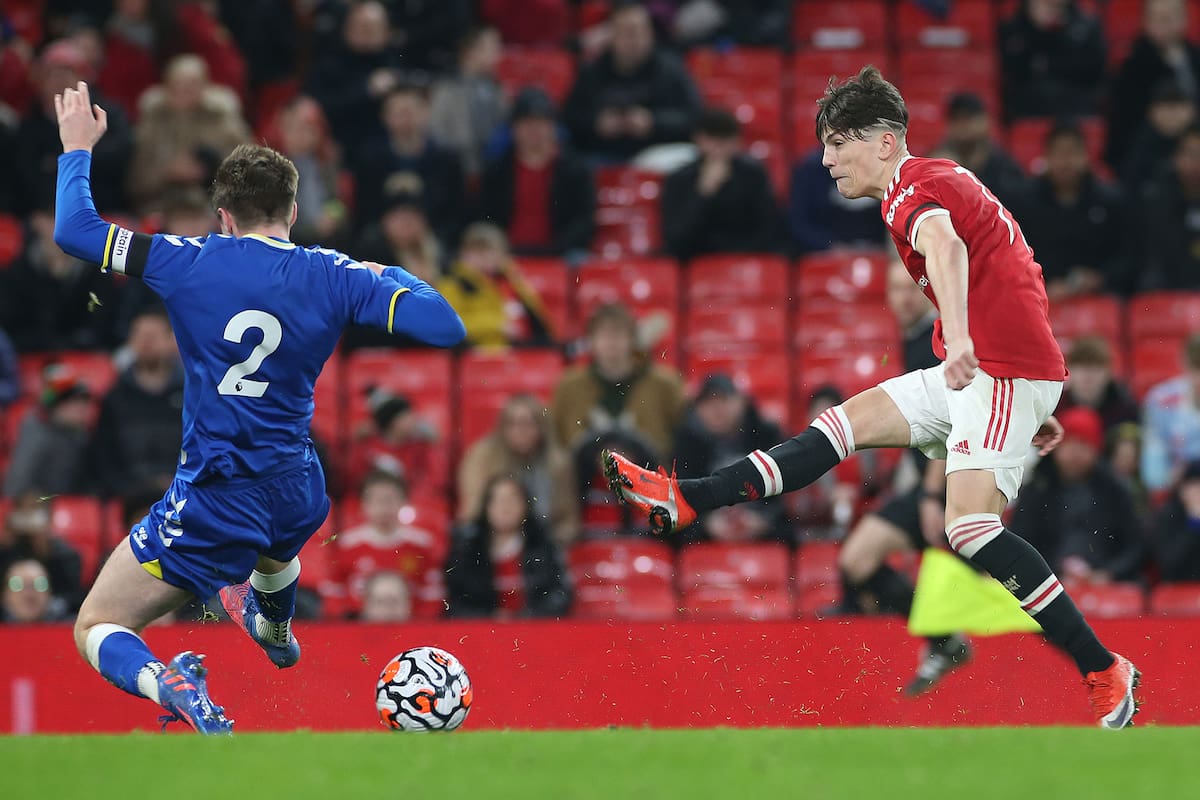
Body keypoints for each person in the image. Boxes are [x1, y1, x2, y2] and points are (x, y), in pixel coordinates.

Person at [605, 66, 1140, 728]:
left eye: (838, 142)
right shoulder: (934, 180)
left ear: (884, 141)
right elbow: (1014, 268)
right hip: (992, 370)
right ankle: (689, 496)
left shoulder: (909, 191)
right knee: (838, 428)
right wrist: (1034, 395)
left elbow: (946, 247)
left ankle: (1102, 669)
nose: (827, 159)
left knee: (968, 529)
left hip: (990, 369)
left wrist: (985, 353)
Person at [53, 81, 465, 734]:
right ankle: (273, 623)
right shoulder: (333, 272)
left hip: (219, 494)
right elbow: (445, 326)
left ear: (223, 215)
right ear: (293, 211)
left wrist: (77, 148)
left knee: (97, 623)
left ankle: (172, 684)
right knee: (275, 548)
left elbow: (75, 231)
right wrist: (389, 274)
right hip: (297, 486)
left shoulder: (184, 261)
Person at [836, 259, 968, 695]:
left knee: (1006, 584)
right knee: (856, 561)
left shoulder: (937, 340)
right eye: (895, 289)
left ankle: (1090, 662)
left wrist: (932, 496)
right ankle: (944, 640)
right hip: (932, 484)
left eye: (912, 288)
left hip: (954, 484)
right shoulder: (914, 339)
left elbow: (949, 424)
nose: (903, 297)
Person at [1012, 408, 1146, 585]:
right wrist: (1049, 573)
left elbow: (1136, 545)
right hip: (1045, 580)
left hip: (1106, 585)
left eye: (1083, 444)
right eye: (1069, 443)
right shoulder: (1037, 488)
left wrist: (1108, 573)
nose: (1075, 453)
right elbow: (1021, 540)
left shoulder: (1115, 490)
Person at [563, 2, 702, 160]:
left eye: (640, 31)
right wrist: (596, 123)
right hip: (600, 155)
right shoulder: (592, 71)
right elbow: (570, 117)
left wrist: (653, 122)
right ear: (612, 35)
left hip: (656, 153)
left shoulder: (671, 69)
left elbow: (694, 117)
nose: (634, 39)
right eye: (626, 32)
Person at [1010, 123, 1131, 299]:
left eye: (1072, 153)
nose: (1066, 162)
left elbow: (1127, 254)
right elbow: (1016, 256)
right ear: (1046, 158)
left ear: (1086, 157)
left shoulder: (1111, 201)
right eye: (1059, 153)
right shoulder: (1023, 203)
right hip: (1040, 295)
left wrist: (1100, 279)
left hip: (1099, 297)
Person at [477, 87, 596, 257]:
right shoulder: (497, 170)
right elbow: (485, 216)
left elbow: (584, 222)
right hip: (505, 255)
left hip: (561, 254)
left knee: (580, 260)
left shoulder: (575, 170)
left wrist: (556, 249)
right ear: (514, 128)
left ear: (553, 127)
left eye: (540, 122)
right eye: (526, 123)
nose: (534, 130)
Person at [672, 374, 787, 545]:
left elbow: (786, 498)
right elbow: (681, 499)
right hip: (706, 538)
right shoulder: (686, 444)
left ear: (741, 402)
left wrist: (763, 519)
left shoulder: (767, 436)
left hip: (765, 533)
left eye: (723, 399)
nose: (716, 409)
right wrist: (706, 524)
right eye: (708, 403)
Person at [127, 54, 251, 213]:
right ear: (166, 87)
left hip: (214, 208)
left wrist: (210, 171)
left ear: (206, 86)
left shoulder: (225, 123)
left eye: (192, 84)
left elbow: (247, 173)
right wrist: (167, 172)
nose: (184, 90)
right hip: (160, 208)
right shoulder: (151, 125)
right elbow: (134, 182)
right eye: (177, 84)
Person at [88, 307, 185, 502]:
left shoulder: (192, 394)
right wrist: (132, 489)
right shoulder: (115, 398)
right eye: (140, 335)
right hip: (128, 499)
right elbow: (102, 457)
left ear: (172, 340)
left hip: (184, 494)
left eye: (153, 336)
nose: (146, 342)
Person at [457, 394, 579, 547]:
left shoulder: (558, 464)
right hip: (491, 543)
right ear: (502, 428)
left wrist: (551, 542)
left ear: (542, 428)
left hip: (544, 544)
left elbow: (569, 520)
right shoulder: (481, 458)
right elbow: (472, 512)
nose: (520, 431)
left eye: (528, 424)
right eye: (512, 424)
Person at [661, 107, 780, 261]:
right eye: (713, 141)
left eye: (725, 142)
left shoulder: (753, 175)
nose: (719, 150)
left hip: (746, 258)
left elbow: (769, 229)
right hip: (695, 260)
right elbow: (676, 238)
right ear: (699, 140)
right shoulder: (679, 179)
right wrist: (703, 194)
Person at [354, 82, 466, 246]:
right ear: (385, 117)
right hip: (383, 242)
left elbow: (455, 213)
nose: (407, 119)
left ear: (426, 112)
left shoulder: (447, 160)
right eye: (400, 113)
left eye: (412, 111)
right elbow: (364, 211)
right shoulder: (370, 158)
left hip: (435, 239)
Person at [444, 475, 571, 618]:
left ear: (525, 505)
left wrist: (523, 618)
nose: (505, 507)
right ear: (486, 507)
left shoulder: (543, 545)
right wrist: (489, 617)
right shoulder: (468, 549)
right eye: (498, 500)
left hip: (533, 630)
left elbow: (558, 596)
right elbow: (457, 602)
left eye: (512, 499)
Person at [330, 470, 444, 620]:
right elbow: (333, 596)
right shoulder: (348, 545)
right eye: (377, 501)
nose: (383, 508)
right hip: (359, 628)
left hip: (411, 627)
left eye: (390, 500)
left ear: (404, 502)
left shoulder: (421, 545)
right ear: (364, 505)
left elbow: (433, 597)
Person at [1107, 0, 1200, 170]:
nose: (1165, 22)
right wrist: (1160, 118)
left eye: (1171, 16)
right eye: (1158, 17)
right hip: (1147, 152)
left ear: (1185, 19)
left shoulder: (1195, 58)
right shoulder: (1132, 65)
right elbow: (1124, 120)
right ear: (1145, 22)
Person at [436, 222, 555, 349]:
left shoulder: (509, 282)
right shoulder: (453, 285)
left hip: (516, 353)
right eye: (477, 252)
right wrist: (496, 325)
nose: (485, 258)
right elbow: (447, 325)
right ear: (464, 254)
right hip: (474, 354)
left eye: (490, 251)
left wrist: (513, 276)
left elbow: (541, 321)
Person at [998, 0, 1107, 121]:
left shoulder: (1087, 27)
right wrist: (1035, 28)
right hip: (1029, 107)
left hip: (1076, 105)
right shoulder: (1014, 28)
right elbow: (1012, 71)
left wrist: (1059, 34)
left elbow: (1094, 70)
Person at [428, 26, 508, 180]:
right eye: (492, 48)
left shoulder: (495, 87)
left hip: (492, 171)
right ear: (471, 51)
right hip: (456, 173)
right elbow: (437, 133)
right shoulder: (446, 88)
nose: (498, 55)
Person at [4, 365, 94, 498]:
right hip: (37, 508)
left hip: (70, 507)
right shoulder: (36, 434)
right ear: (55, 405)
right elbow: (16, 486)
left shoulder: (80, 435)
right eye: (73, 400)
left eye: (84, 400)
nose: (81, 407)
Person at [345, 386, 442, 499]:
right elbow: (353, 480)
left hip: (411, 502)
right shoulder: (367, 448)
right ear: (392, 423)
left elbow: (432, 482)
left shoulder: (420, 447)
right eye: (406, 417)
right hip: (372, 502)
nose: (414, 420)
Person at [788, 146, 887, 255]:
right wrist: (830, 246)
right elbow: (799, 223)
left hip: (881, 254)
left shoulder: (885, 166)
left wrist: (888, 246)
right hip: (827, 257)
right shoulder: (810, 170)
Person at [1137, 125, 1200, 291]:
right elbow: (1150, 261)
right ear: (1176, 158)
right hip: (1168, 294)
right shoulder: (1155, 200)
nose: (1196, 163)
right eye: (1191, 154)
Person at [933, 93, 1024, 204]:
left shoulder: (1005, 170)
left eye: (969, 118)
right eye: (956, 119)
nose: (963, 125)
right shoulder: (936, 164)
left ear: (986, 122)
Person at [0, 494, 83, 613]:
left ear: (48, 517)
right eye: (23, 512)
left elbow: (72, 596)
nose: (28, 517)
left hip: (52, 616)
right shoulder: (6, 551)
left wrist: (44, 547)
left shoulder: (65, 555)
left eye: (34, 511)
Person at [1142, 334, 1200, 493]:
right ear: (1185, 365)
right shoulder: (1160, 401)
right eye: (1196, 368)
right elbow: (1154, 476)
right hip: (1177, 491)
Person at [1055, 337, 1140, 434]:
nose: (1088, 376)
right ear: (1068, 370)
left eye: (1096, 368)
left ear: (1108, 372)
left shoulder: (1125, 408)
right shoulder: (1057, 406)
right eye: (1081, 367)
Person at [1152, 460, 1200, 582]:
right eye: (1194, 486)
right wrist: (1194, 523)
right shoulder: (1169, 515)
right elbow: (1169, 563)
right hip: (1177, 587)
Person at [1, 558, 67, 624]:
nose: (29, 594)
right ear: (4, 594)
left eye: (40, 584)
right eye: (17, 585)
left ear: (50, 592)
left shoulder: (71, 627)